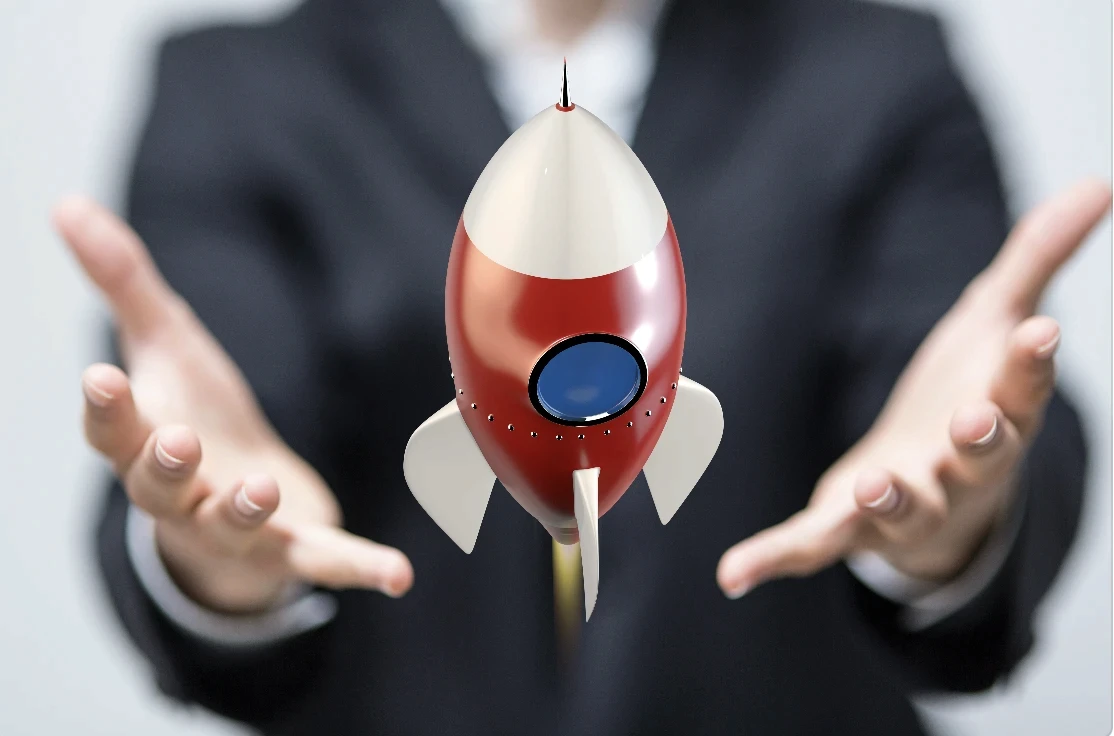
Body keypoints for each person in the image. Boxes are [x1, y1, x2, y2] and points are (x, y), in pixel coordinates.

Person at [54, 0, 1109, 733]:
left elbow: (970, 396)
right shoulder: (231, 85)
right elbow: (215, 441)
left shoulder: (884, 70)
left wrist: (952, 526)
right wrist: (226, 568)